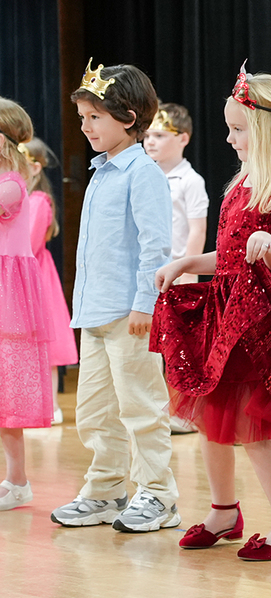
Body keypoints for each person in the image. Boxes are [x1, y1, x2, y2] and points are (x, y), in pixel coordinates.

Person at [151, 63, 271, 560]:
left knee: (254, 427)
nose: (229, 138)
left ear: (266, 129)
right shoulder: (240, 185)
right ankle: (224, 512)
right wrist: (185, 262)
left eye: (238, 129)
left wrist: (269, 244)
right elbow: (229, 253)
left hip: (263, 320)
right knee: (211, 417)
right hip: (227, 313)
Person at [50, 60, 180, 532]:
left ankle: (159, 495)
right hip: (96, 313)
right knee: (94, 411)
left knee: (141, 408)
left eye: (94, 118)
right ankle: (107, 490)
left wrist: (145, 303)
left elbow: (154, 246)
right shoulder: (103, 171)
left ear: (128, 118)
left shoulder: (141, 172)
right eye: (82, 117)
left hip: (131, 315)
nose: (85, 127)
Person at [0, 98, 51, 511]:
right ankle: (12, 479)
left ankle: (18, 482)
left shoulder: (13, 182)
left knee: (8, 393)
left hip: (8, 295)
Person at [21, 138, 79, 425]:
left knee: (45, 345)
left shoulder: (39, 201)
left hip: (34, 279)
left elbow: (28, 245)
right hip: (16, 279)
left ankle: (51, 406)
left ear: (33, 168)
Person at [143, 103, 208, 285]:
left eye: (159, 136)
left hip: (176, 271)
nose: (150, 142)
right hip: (145, 268)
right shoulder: (143, 176)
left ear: (183, 139)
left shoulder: (191, 180)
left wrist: (188, 272)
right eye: (147, 136)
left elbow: (198, 229)